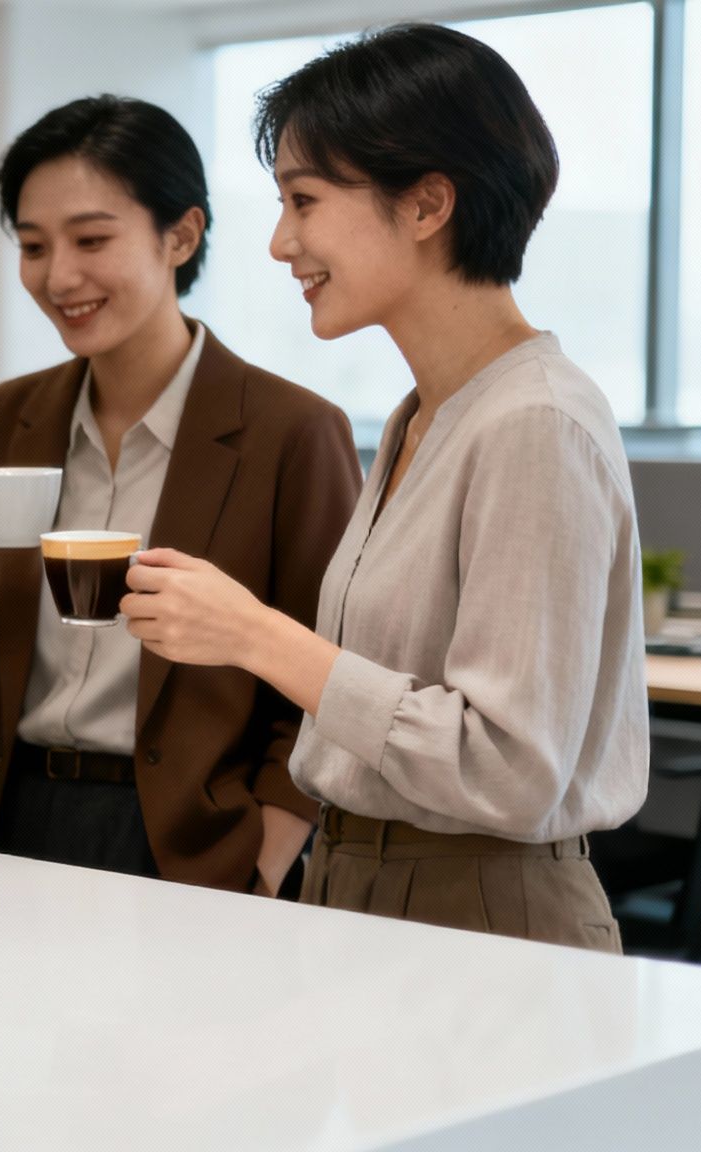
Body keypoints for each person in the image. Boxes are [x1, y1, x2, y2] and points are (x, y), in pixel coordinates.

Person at [120, 24, 646, 950]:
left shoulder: (535, 423)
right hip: (359, 883)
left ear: (428, 203)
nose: (281, 242)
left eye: (305, 200)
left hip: (481, 909)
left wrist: (255, 635)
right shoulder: (422, 417)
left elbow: (510, 768)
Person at [0, 95, 360, 893]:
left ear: (180, 235)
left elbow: (326, 680)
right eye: (34, 246)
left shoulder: (291, 432)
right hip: (3, 819)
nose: (58, 276)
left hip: (192, 843)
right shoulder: (1, 418)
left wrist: (263, 862)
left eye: (91, 239)